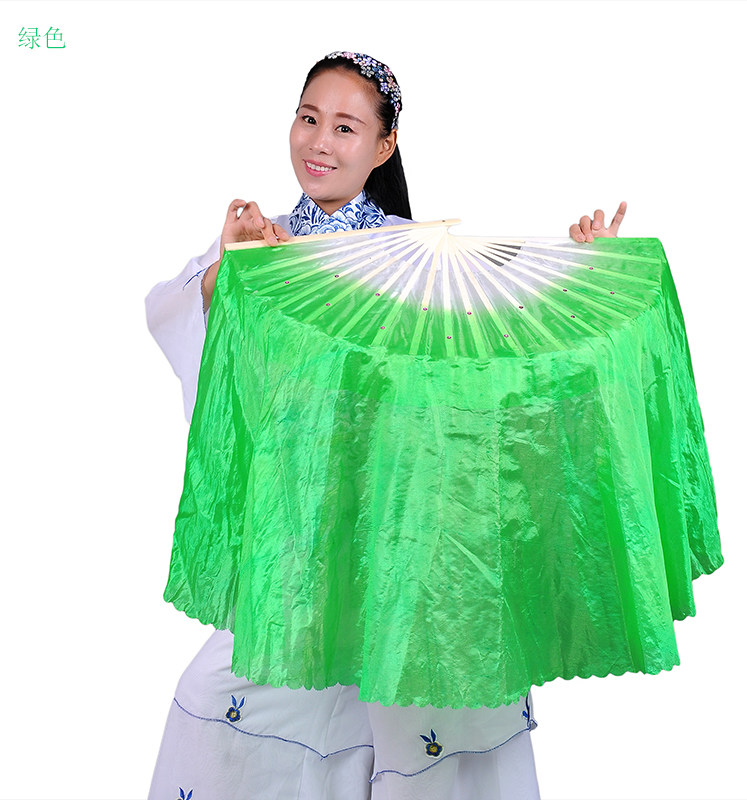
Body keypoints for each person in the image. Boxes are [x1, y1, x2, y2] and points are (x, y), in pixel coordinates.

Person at [146, 51, 624, 800]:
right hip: (304, 535)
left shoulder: (422, 257)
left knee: (428, 721)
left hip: (409, 534)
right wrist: (229, 271)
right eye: (309, 119)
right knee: (220, 693)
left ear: (383, 145)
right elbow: (182, 322)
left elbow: (512, 353)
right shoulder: (264, 243)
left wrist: (591, 273)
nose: (319, 142)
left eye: (345, 127)